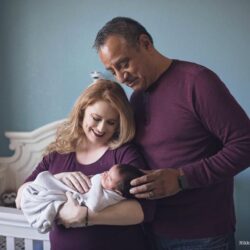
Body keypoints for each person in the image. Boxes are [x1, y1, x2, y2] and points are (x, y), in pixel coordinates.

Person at [93, 17, 250, 250]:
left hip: (202, 237)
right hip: (148, 228)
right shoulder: (135, 99)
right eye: (112, 70)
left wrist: (182, 178)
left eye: (123, 63)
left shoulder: (197, 82)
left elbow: (245, 144)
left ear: (145, 43)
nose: (120, 77)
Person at [15, 80, 153, 250]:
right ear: (81, 112)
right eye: (96, 118)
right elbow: (21, 198)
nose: (101, 128)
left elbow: (144, 210)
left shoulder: (123, 154)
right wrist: (58, 179)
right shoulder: (59, 153)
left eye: (111, 122)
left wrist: (86, 216)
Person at [20, 164, 144, 233]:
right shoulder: (56, 152)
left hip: (71, 199)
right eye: (107, 171)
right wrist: (61, 176)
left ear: (117, 191)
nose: (104, 174)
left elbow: (94, 205)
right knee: (42, 180)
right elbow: (21, 192)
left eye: (109, 178)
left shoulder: (112, 196)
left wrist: (96, 181)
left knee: (45, 188)